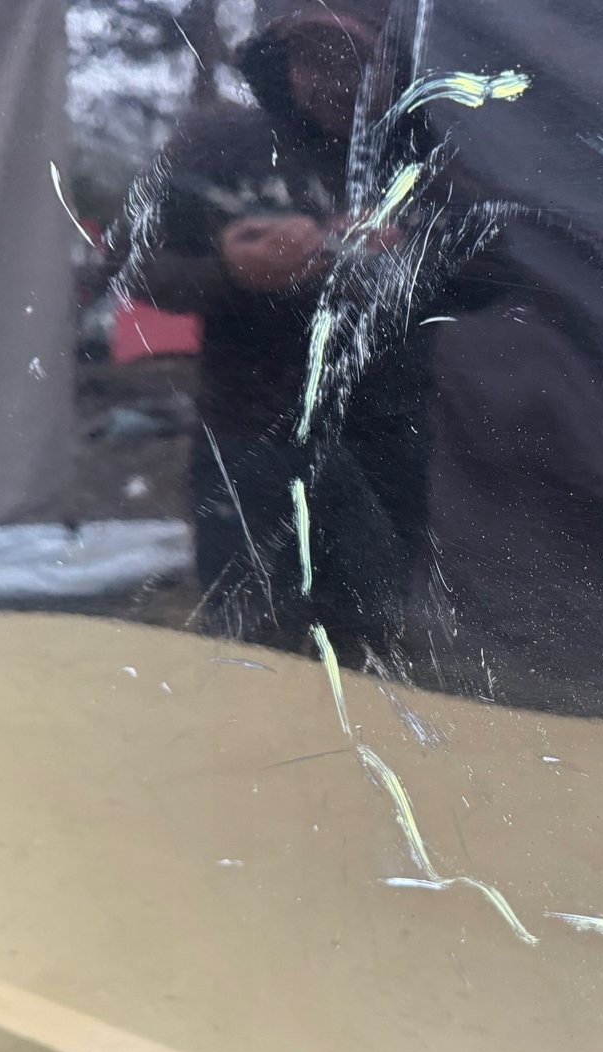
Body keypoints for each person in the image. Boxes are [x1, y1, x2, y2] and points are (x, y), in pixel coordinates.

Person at [111, 0, 429, 653]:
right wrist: (230, 269)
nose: (333, 79)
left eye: (356, 60)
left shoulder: (424, 148)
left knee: (372, 635)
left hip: (384, 437)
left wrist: (412, 254)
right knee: (247, 632)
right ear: (278, 59)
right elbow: (126, 264)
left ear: (396, 64)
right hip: (249, 435)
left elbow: (502, 268)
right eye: (312, 57)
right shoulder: (221, 144)